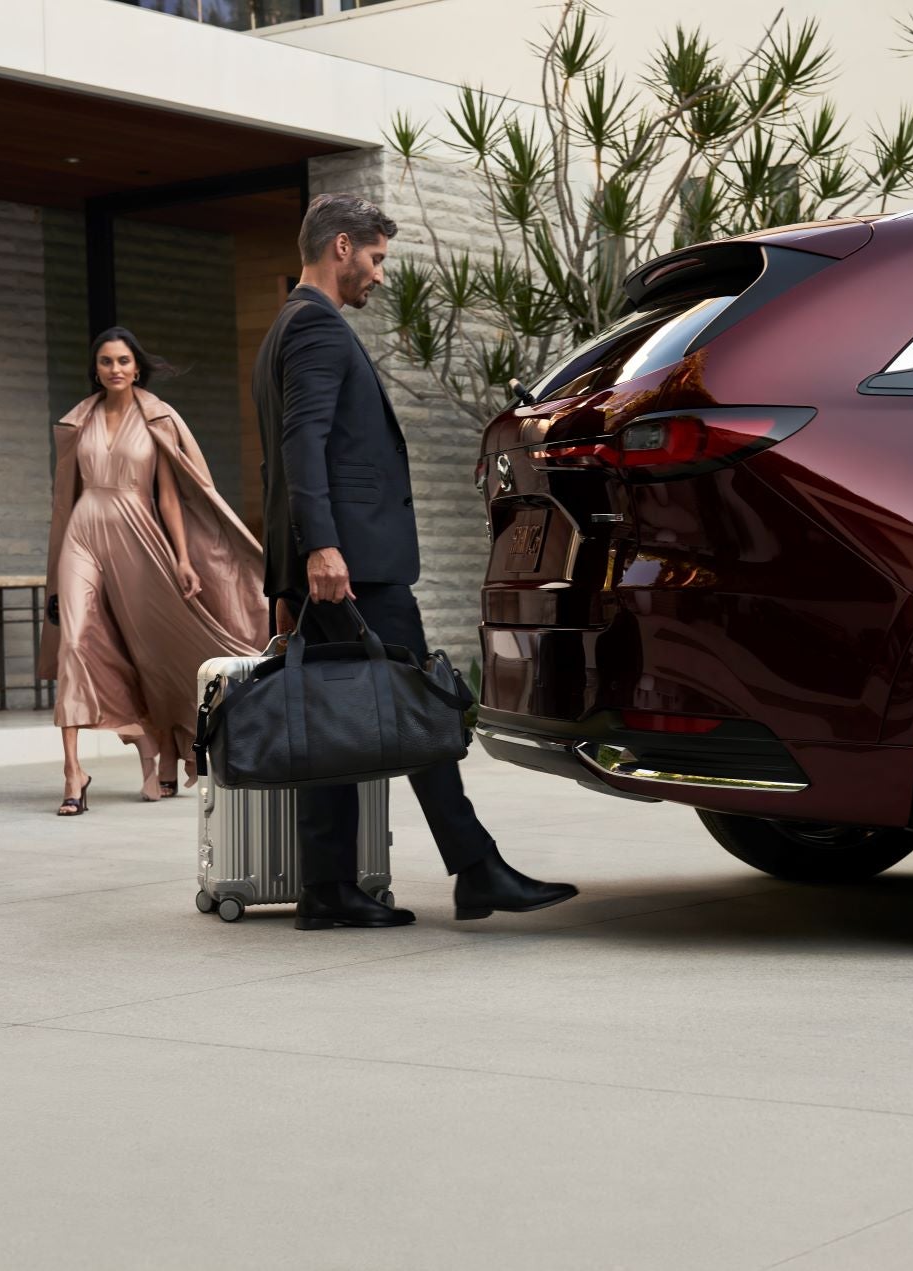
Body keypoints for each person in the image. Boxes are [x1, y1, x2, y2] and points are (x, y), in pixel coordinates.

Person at [252, 193, 579, 929]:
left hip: (325, 567)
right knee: (419, 708)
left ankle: (330, 889)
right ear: (341, 247)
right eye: (374, 259)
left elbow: (283, 463)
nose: (376, 275)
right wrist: (322, 549)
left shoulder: (283, 329)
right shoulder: (316, 330)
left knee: (338, 723)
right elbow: (299, 447)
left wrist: (287, 571)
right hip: (350, 566)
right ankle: (476, 868)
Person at [39, 327, 269, 815]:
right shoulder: (79, 421)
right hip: (82, 533)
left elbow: (171, 495)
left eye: (123, 361)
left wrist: (184, 559)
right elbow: (67, 498)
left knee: (151, 649)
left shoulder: (158, 418)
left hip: (138, 534)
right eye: (105, 361)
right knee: (75, 642)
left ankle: (160, 744)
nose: (115, 369)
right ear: (96, 368)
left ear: (136, 367)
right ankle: (72, 772)